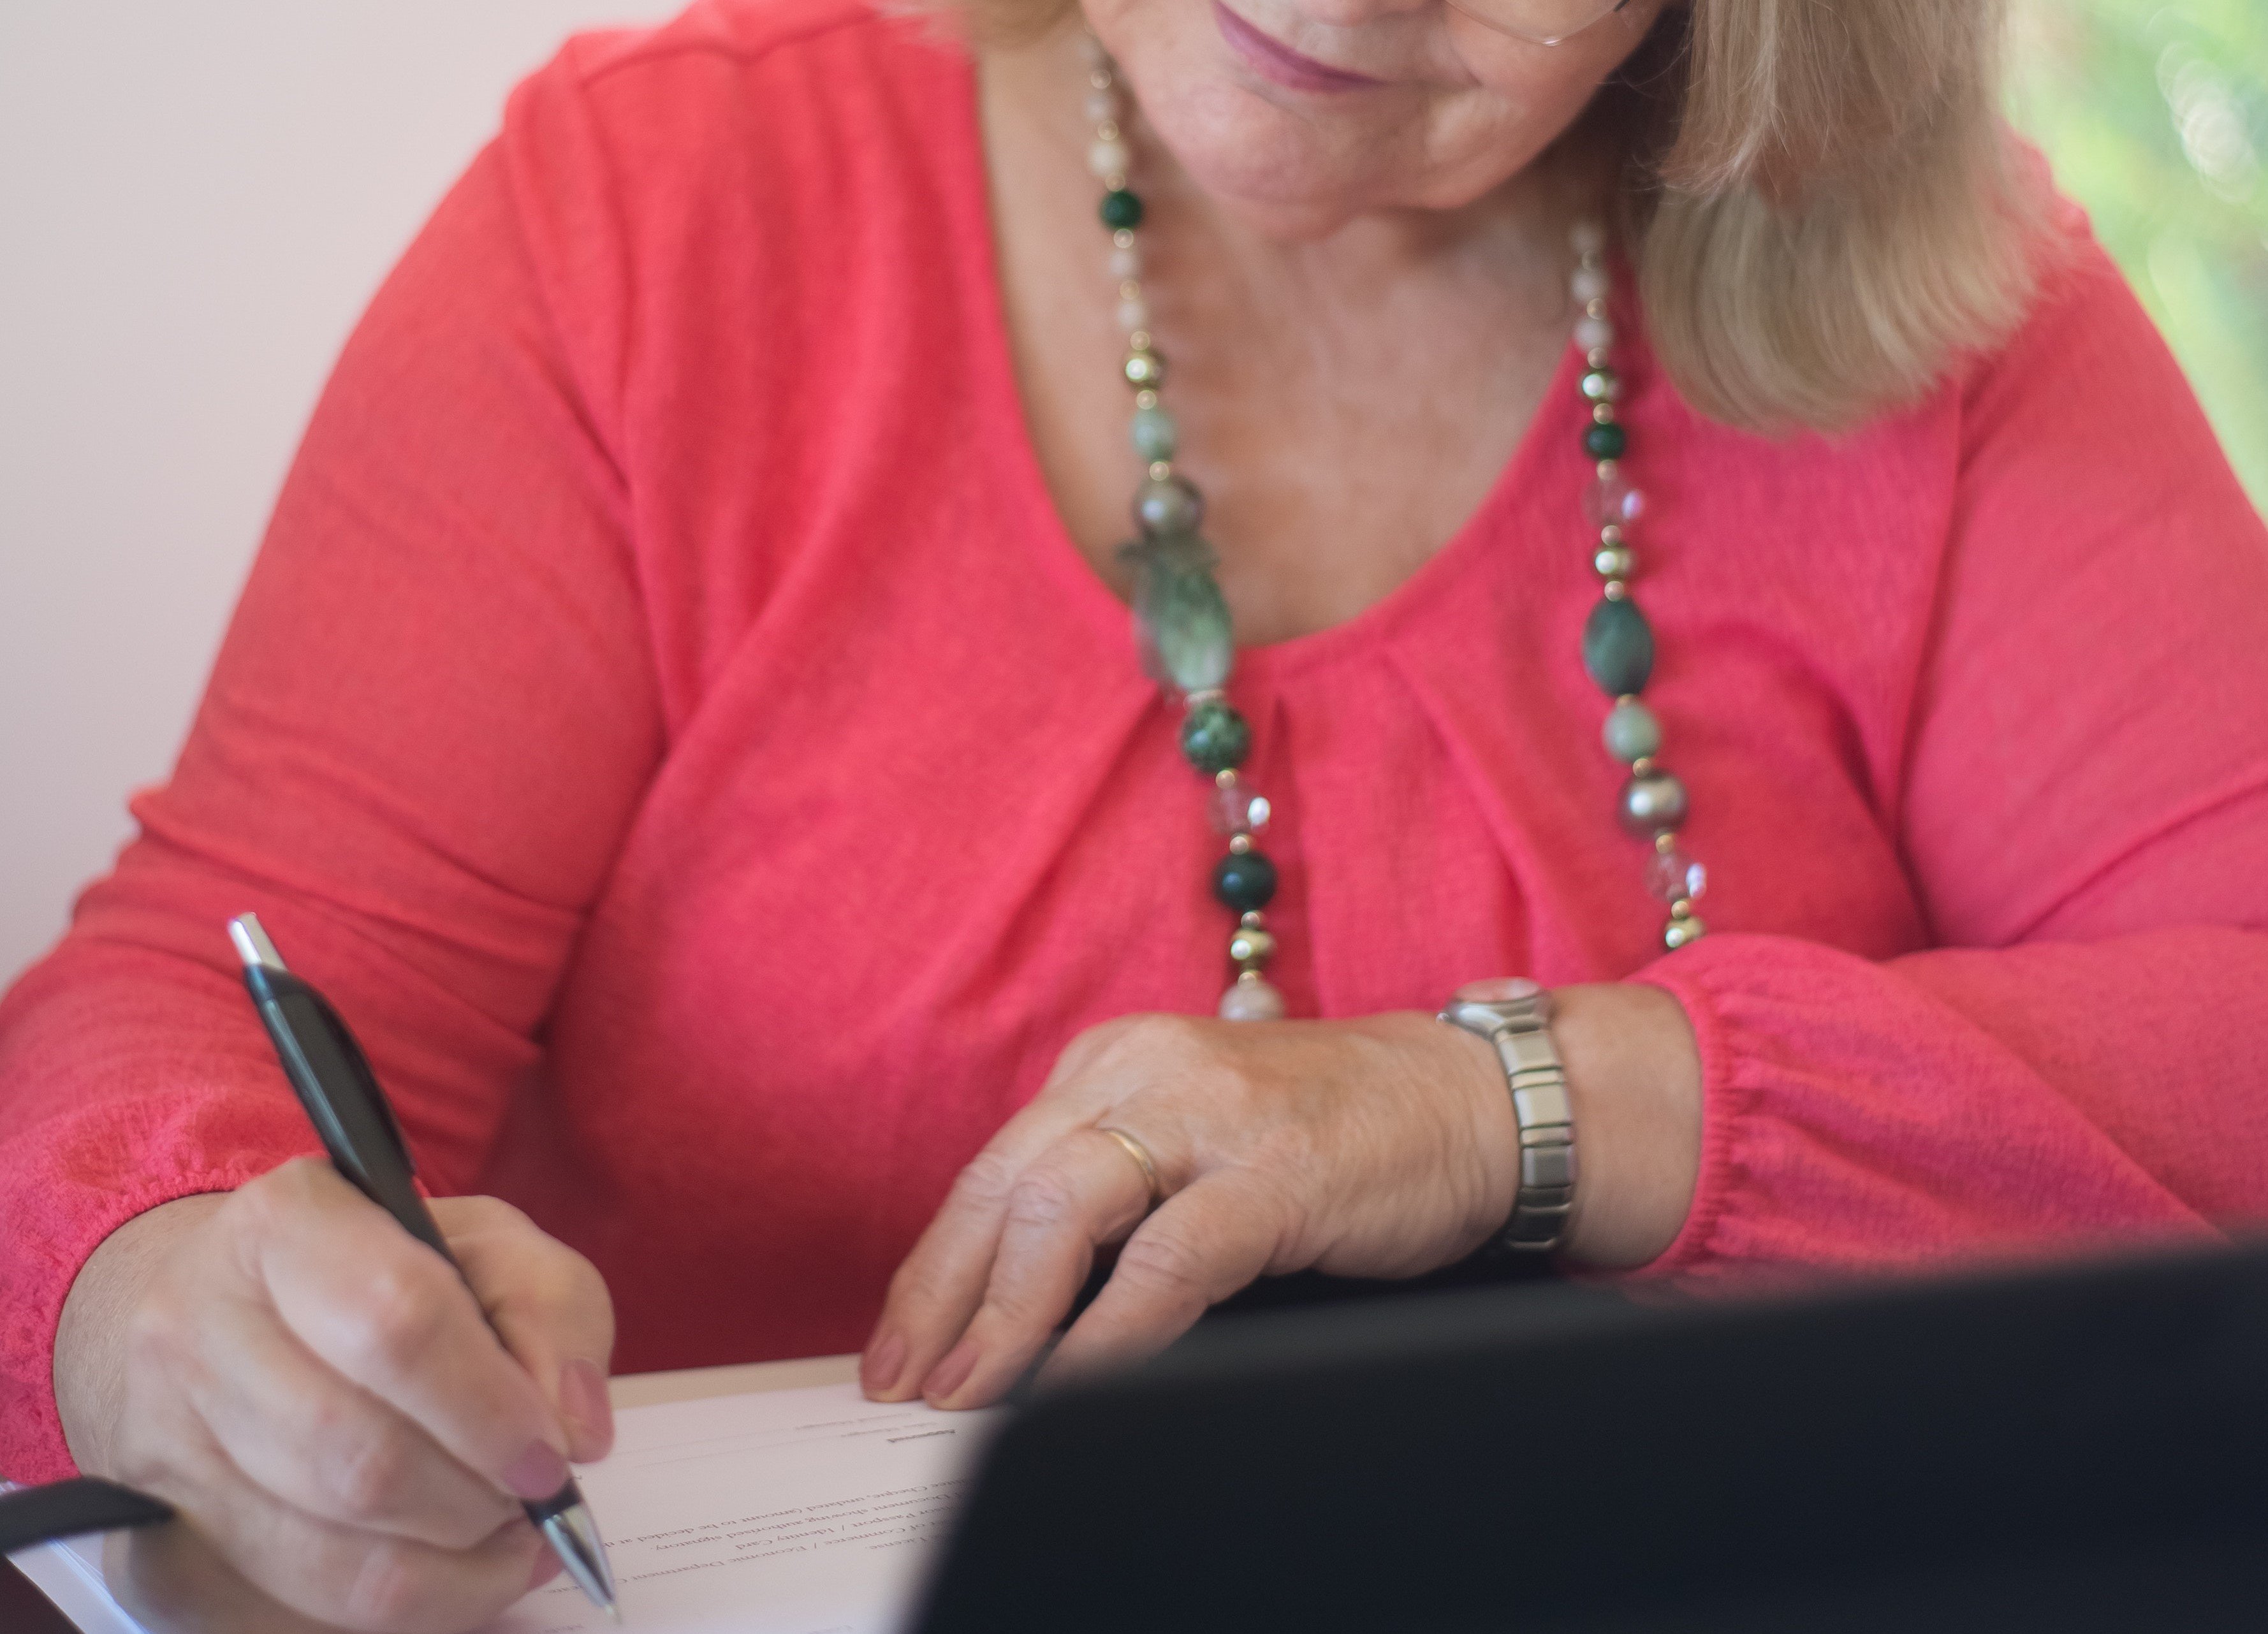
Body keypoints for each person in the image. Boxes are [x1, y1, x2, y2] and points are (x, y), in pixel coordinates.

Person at [4, 0, 2264, 1625]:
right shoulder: (663, 212)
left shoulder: (1960, 327)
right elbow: (192, 991)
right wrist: (161, 1289)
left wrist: (1506, 1103)